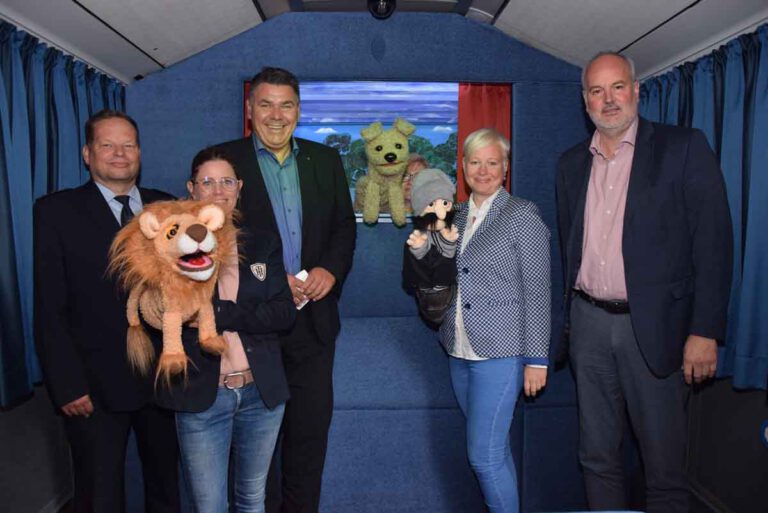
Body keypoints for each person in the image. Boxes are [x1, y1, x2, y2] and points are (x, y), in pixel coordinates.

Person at [555, 52, 733, 513]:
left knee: (664, 469)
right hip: (588, 327)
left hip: (655, 330)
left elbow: (713, 244)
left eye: (617, 87)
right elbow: (568, 249)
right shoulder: (571, 164)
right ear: (585, 101)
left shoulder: (684, 147)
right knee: (596, 458)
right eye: (597, 90)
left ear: (636, 90)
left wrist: (705, 330)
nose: (608, 99)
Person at [213, 67, 356, 513]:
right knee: (256, 454)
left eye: (286, 105)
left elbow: (343, 229)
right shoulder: (223, 164)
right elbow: (213, 238)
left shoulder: (325, 160)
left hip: (314, 325)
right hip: (254, 334)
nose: (277, 115)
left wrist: (329, 271)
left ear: (299, 110)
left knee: (308, 442)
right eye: (266, 104)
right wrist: (276, 286)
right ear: (250, 109)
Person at [33, 109, 180, 513]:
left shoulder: (168, 209)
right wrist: (66, 385)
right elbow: (49, 306)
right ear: (87, 153)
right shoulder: (55, 212)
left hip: (163, 383)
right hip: (92, 388)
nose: (120, 154)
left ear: (140, 152)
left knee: (168, 490)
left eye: (128, 145)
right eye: (108, 145)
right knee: (99, 496)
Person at [153, 147, 296, 513]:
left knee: (252, 500)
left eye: (227, 181)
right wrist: (243, 312)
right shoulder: (169, 243)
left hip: (259, 394)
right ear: (191, 189)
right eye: (208, 182)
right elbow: (164, 311)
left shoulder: (262, 241)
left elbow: (283, 313)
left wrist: (218, 312)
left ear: (239, 187)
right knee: (209, 506)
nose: (218, 190)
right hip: (203, 397)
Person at [439, 128, 551, 513]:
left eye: (492, 162)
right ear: (464, 166)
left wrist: (536, 359)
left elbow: (538, 290)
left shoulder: (522, 214)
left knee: (483, 457)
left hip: (502, 355)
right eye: (475, 162)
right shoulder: (452, 214)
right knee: (493, 449)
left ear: (505, 167)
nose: (483, 170)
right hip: (459, 351)